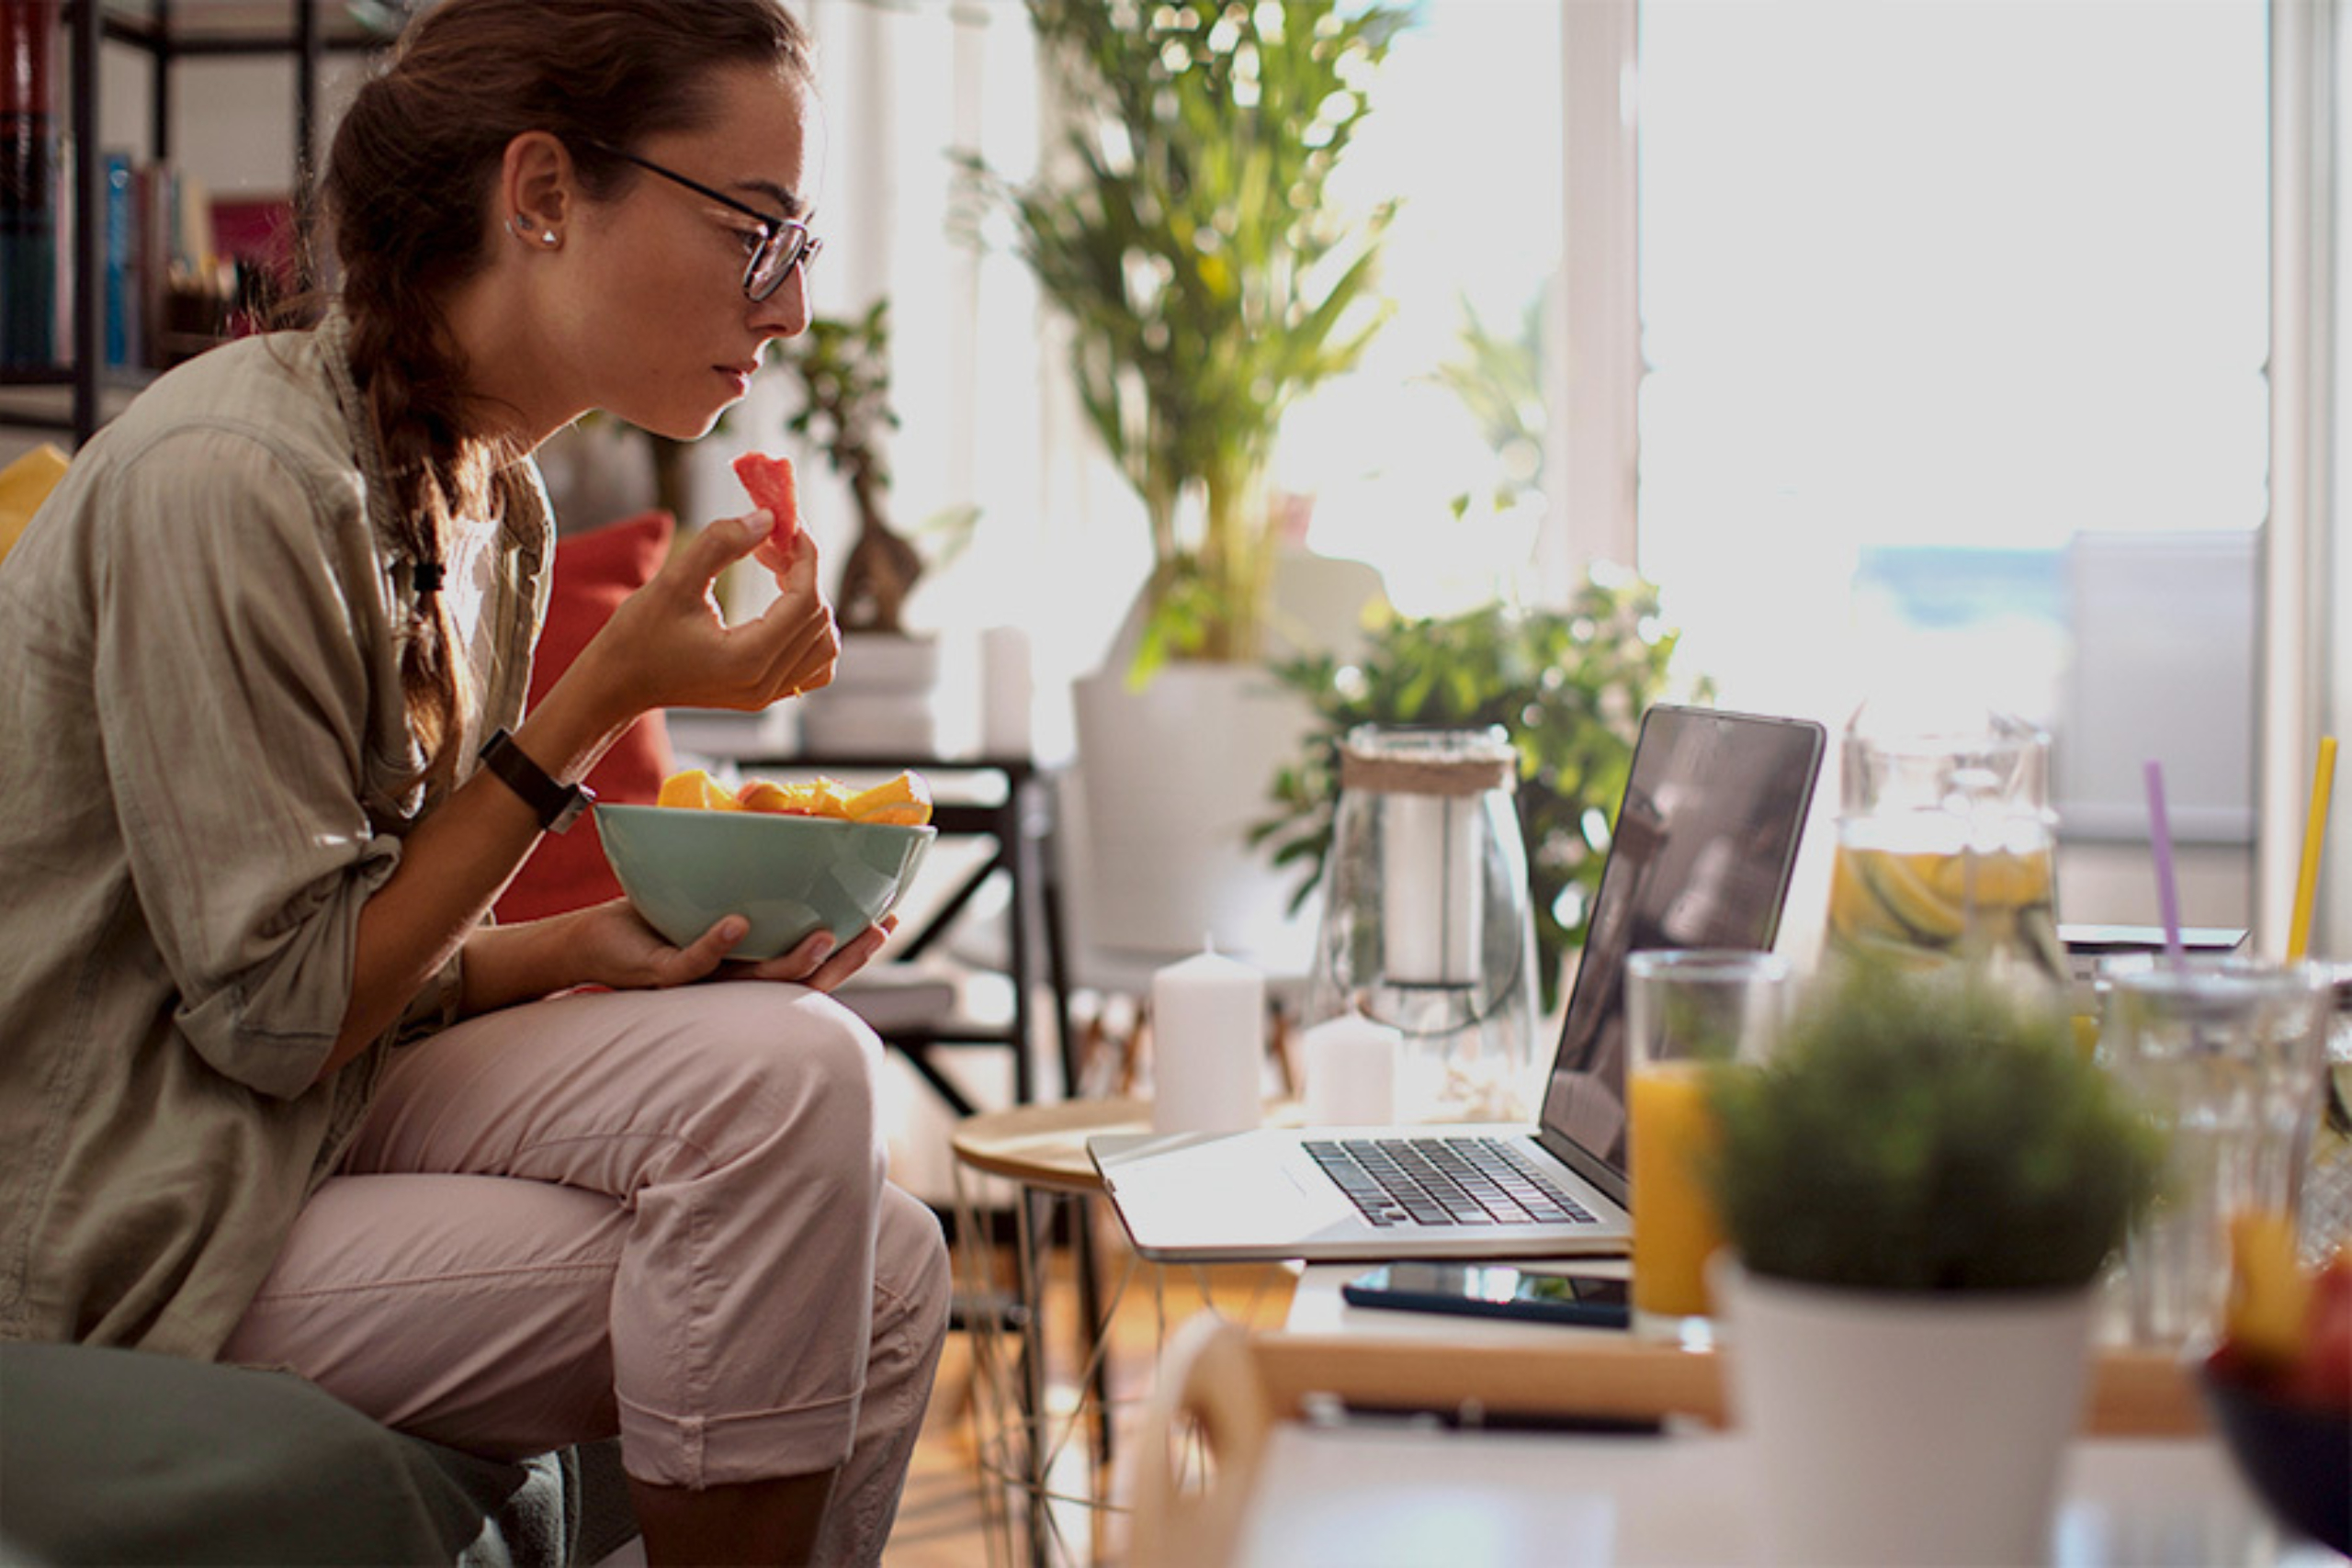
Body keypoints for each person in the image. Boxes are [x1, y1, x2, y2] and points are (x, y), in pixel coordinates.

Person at [0, 1, 951, 1562]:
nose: (789, 309)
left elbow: (358, 961)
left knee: (869, 1219)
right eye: (760, 234)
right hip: (140, 1207)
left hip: (297, 1119)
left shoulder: (489, 508)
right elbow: (278, 1019)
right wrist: (604, 695)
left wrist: (582, 955)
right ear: (543, 195)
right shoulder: (233, 480)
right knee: (827, 1187)